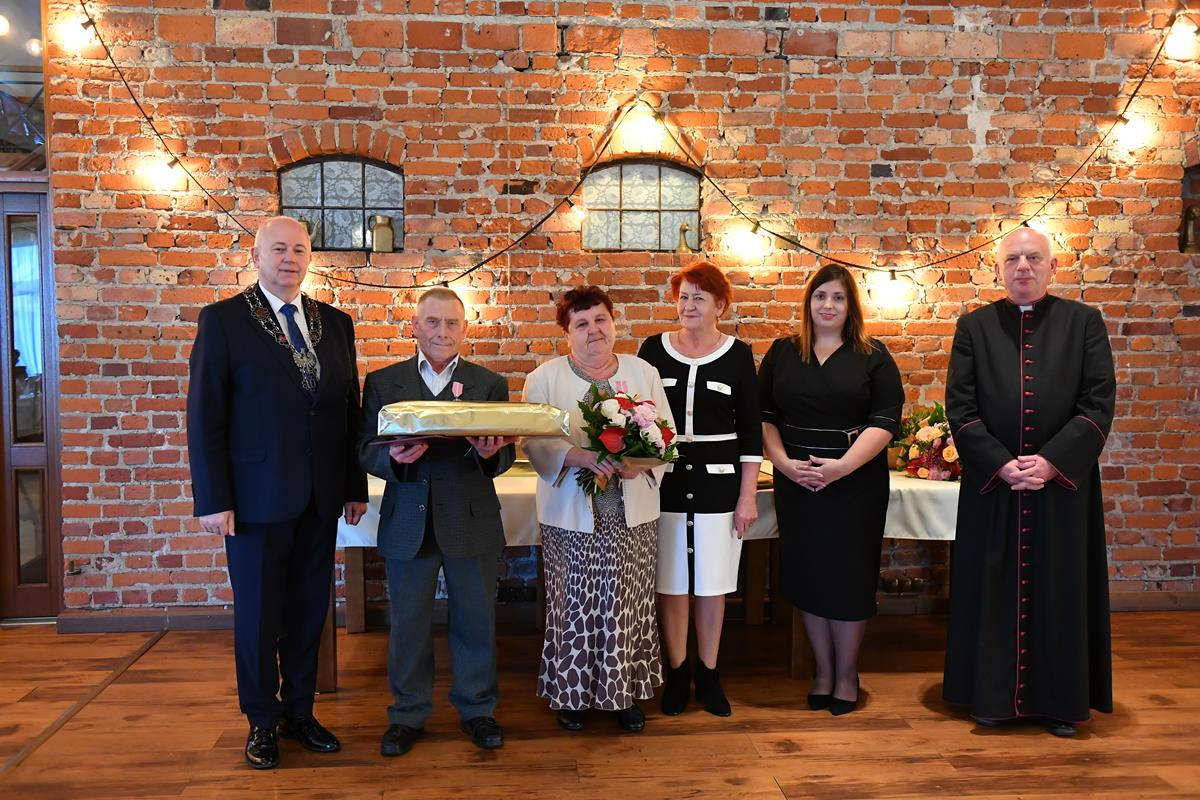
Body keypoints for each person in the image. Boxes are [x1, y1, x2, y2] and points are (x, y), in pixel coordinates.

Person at [186, 215, 368, 770]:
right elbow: (205, 415)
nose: (290, 259)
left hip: (320, 496)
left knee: (310, 610)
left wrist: (353, 485)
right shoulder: (224, 321)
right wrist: (214, 499)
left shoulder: (335, 323)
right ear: (256, 256)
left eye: (299, 250)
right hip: (254, 499)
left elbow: (348, 413)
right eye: (279, 249)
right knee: (260, 616)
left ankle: (300, 712)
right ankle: (261, 721)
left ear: (310, 258)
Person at [943, 226, 1116, 737]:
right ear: (998, 269)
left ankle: (1062, 703)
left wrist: (1051, 462)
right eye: (1013, 259)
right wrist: (1000, 463)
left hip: (1061, 487)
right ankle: (991, 698)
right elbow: (961, 407)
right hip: (995, 486)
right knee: (992, 591)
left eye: (1034, 258)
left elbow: (1098, 402)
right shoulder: (974, 327)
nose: (1023, 266)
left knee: (1061, 590)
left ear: (1052, 267)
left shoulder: (1084, 322)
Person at [357, 287, 516, 757]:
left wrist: (491, 453)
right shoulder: (383, 382)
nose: (441, 331)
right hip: (408, 519)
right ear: (414, 326)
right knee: (408, 624)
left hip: (471, 518)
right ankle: (407, 714)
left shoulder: (489, 383)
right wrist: (395, 460)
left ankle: (478, 709)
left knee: (476, 620)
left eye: (451, 323)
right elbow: (364, 447)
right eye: (432, 321)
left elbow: (504, 455)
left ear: (464, 330)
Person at [522, 286, 673, 733]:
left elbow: (666, 437)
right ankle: (571, 695)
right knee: (574, 605)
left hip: (632, 514)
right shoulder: (544, 379)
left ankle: (623, 695)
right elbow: (534, 442)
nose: (594, 331)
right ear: (567, 333)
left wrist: (639, 463)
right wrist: (579, 456)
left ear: (614, 322)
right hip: (571, 517)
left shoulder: (643, 372)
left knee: (628, 604)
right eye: (582, 324)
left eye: (601, 320)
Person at [759, 264, 903, 716]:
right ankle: (822, 671)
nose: (828, 305)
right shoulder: (783, 352)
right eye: (821, 296)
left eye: (838, 298)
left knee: (848, 580)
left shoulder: (873, 355)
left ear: (850, 306)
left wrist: (841, 468)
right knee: (809, 577)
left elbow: (886, 420)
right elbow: (763, 416)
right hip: (798, 482)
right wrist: (783, 464)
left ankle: (846, 674)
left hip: (854, 484)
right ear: (808, 302)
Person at [637, 262, 761, 717]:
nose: (688, 306)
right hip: (664, 483)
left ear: (720, 306)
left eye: (699, 298)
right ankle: (677, 672)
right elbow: (638, 413)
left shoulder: (738, 355)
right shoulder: (653, 350)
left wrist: (747, 496)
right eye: (683, 297)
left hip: (719, 484)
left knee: (712, 583)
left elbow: (751, 433)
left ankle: (709, 674)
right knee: (670, 583)